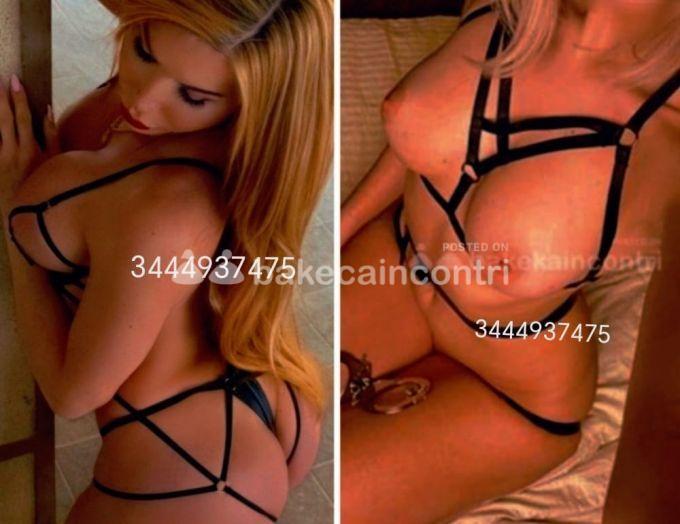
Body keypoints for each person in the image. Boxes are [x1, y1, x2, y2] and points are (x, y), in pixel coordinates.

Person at [340, 0, 679, 522]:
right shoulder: (509, 7)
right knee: (236, 388)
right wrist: (339, 229)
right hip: (398, 262)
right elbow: (441, 143)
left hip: (509, 388)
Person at [0, 0, 332, 522]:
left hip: (189, 469)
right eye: (143, 51)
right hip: (245, 399)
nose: (143, 100)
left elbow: (70, 393)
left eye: (192, 96)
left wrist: (14, 226)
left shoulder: (171, 212)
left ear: (248, 99)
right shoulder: (200, 76)